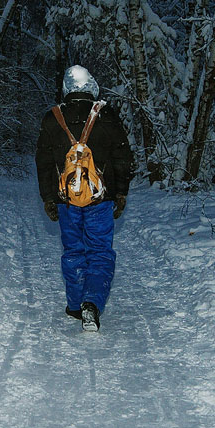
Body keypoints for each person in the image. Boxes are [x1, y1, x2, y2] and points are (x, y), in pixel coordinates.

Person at [35, 65, 134, 331]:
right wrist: (121, 192)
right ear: (91, 86)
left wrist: (48, 198)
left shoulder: (52, 118)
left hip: (67, 202)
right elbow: (123, 158)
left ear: (67, 89)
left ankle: (76, 304)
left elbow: (43, 163)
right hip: (100, 201)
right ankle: (92, 302)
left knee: (74, 251)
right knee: (100, 251)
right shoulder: (107, 115)